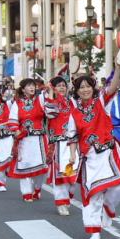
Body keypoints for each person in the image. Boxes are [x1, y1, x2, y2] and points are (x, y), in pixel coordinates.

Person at [68, 65, 120, 239]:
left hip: (108, 153)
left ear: (93, 88)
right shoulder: (74, 112)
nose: (85, 90)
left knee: (117, 189)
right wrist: (72, 155)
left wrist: (118, 67)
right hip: (89, 157)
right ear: (77, 92)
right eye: (81, 87)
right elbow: (72, 136)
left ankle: (109, 207)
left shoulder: (101, 101)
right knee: (92, 194)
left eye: (88, 86)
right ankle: (94, 229)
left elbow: (113, 87)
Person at [7, 79, 50, 203]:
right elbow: (13, 120)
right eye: (29, 86)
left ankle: (37, 188)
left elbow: (50, 99)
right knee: (24, 165)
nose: (32, 87)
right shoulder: (17, 103)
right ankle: (26, 192)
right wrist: (17, 132)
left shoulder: (40, 99)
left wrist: (49, 87)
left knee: (41, 165)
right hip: (24, 139)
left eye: (33, 85)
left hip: (40, 139)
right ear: (23, 89)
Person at [45, 76, 78, 215]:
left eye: (64, 85)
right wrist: (51, 95)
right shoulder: (50, 102)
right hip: (59, 142)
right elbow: (51, 114)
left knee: (74, 173)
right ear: (53, 88)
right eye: (58, 86)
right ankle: (61, 202)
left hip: (73, 141)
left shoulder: (72, 102)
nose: (62, 88)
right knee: (61, 173)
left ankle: (68, 195)